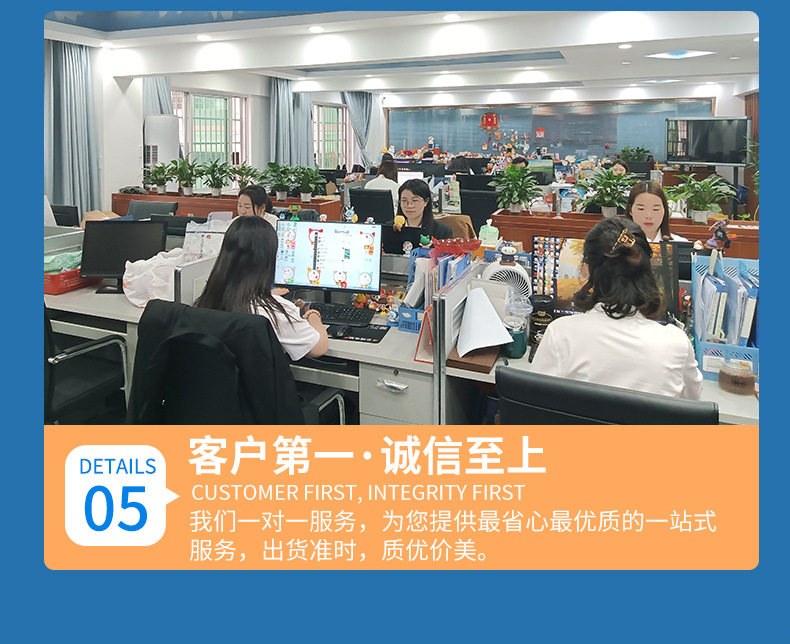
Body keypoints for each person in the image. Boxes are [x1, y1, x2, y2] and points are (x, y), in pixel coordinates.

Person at [531, 217, 702, 400]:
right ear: (646, 271)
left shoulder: (560, 333)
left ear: (588, 269)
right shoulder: (676, 343)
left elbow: (534, 402)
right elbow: (692, 403)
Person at [195, 216, 329, 361]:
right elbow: (319, 348)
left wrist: (265, 295)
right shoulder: (274, 310)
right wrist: (313, 315)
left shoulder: (206, 301)